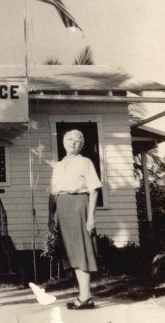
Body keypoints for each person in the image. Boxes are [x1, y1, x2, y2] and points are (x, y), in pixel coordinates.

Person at [48, 129, 102, 310]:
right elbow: (53, 193)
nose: (73, 143)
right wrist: (51, 216)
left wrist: (90, 218)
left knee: (82, 252)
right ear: (63, 143)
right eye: (70, 140)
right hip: (63, 207)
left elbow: (94, 190)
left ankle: (85, 297)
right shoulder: (58, 165)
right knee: (72, 254)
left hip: (79, 204)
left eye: (78, 141)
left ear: (82, 145)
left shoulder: (85, 162)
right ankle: (84, 296)